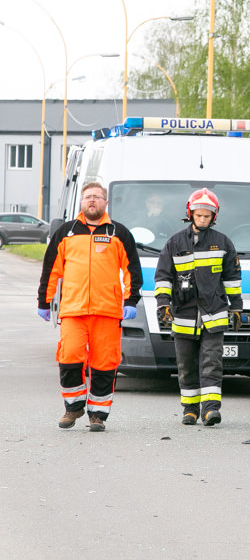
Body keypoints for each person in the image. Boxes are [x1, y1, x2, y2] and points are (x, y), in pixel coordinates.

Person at [37, 181, 143, 432]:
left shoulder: (119, 233)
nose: (92, 201)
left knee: (104, 362)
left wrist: (131, 300)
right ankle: (73, 408)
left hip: (107, 311)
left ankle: (98, 414)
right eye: (87, 197)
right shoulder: (67, 232)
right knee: (70, 356)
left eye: (97, 197)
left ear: (106, 202)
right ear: (81, 203)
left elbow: (132, 271)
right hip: (73, 310)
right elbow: (51, 269)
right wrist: (44, 300)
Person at [154, 188, 243, 426]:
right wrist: (163, 304)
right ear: (190, 214)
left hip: (214, 314)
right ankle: (190, 410)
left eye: (207, 216)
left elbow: (233, 279)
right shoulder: (174, 243)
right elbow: (163, 276)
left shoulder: (223, 243)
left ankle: (211, 409)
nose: (203, 219)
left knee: (211, 363)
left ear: (214, 217)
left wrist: (236, 307)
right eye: (199, 215)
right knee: (186, 365)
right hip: (183, 315)